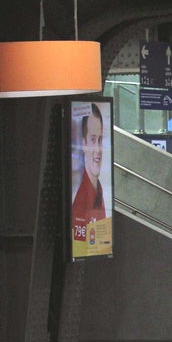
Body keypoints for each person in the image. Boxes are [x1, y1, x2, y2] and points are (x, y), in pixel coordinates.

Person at [72, 103, 107, 250]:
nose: (98, 149)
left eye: (100, 139)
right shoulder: (81, 201)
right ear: (84, 144)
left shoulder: (99, 191)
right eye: (93, 139)